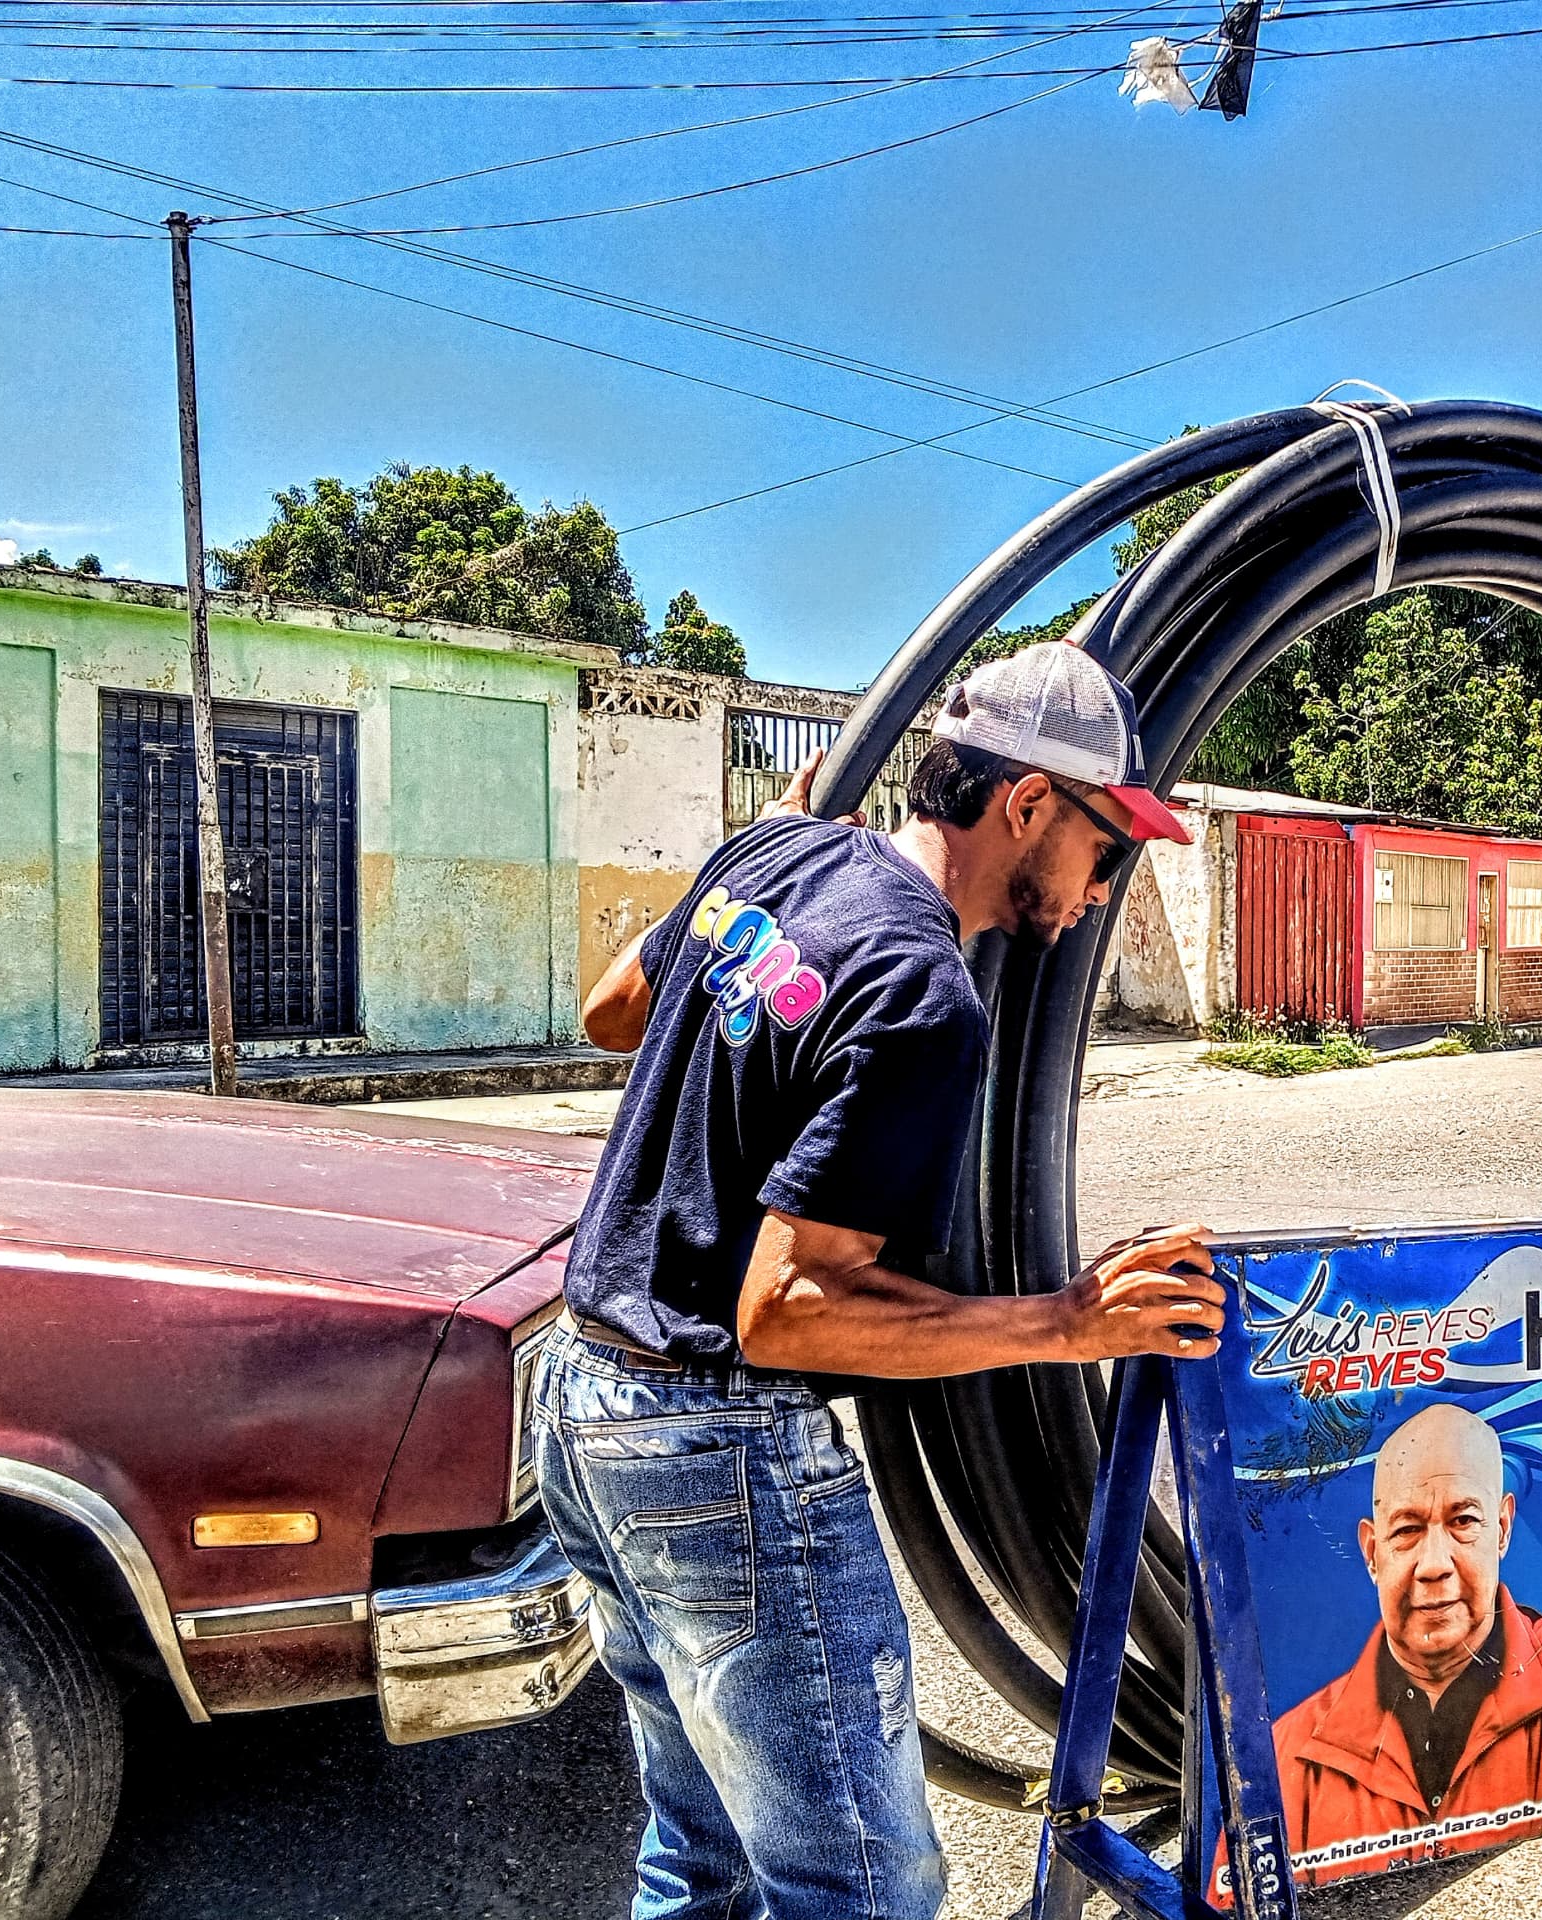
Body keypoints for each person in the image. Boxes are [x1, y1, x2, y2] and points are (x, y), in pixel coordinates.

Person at [535, 639, 1230, 1920]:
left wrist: (743, 869)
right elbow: (787, 1311)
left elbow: (611, 1012)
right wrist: (1069, 1321)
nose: (1103, 889)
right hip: (714, 1448)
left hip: (584, 1406)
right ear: (1028, 802)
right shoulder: (922, 995)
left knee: (698, 1855)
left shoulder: (772, 858)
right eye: (1105, 846)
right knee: (860, 1887)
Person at [1268, 1404, 1542, 1873]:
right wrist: (1527, 1864)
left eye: (1463, 1522)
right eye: (1407, 1530)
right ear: (1372, 1553)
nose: (1435, 1564)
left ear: (1501, 1529)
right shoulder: (1290, 1755)